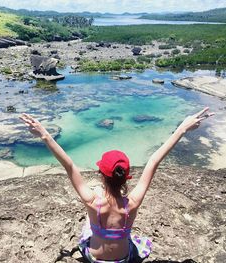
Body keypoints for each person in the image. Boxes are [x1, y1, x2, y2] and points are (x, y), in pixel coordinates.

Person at [20, 107, 214, 263]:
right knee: (136, 241)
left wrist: (44, 134)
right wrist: (182, 129)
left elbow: (68, 164)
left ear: (101, 175)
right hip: (124, 259)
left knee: (88, 223)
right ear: (126, 177)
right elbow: (154, 160)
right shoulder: (133, 203)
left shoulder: (92, 200)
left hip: (94, 258)